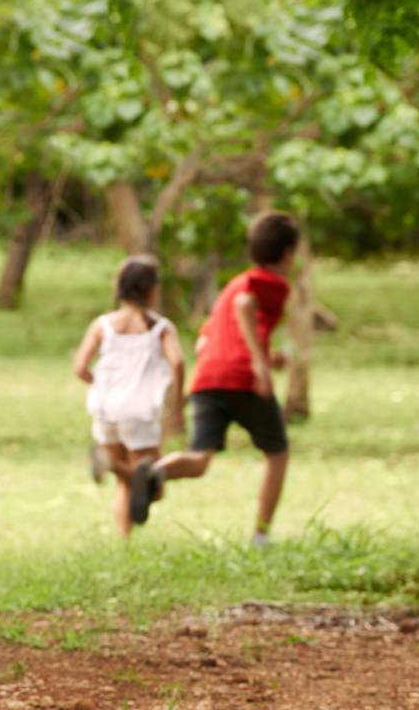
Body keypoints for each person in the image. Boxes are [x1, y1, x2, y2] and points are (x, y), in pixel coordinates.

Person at [128, 212, 300, 549]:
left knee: (200, 460)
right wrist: (259, 365)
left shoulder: (232, 284)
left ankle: (156, 472)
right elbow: (244, 305)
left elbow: (204, 341)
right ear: (288, 253)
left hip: (207, 378)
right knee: (277, 454)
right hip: (243, 379)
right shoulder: (270, 283)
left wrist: (265, 356)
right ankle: (261, 536)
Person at [73, 256, 185, 537]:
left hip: (105, 410)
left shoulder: (103, 325)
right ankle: (112, 467)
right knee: (154, 487)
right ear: (151, 289)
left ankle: (125, 541)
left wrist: (98, 384)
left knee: (127, 484)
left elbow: (80, 367)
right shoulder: (160, 328)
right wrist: (178, 403)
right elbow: (179, 362)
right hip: (140, 413)